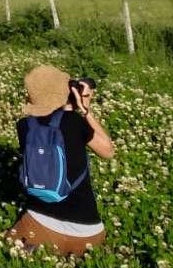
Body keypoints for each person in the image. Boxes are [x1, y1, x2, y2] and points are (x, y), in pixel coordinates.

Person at [6, 64, 115, 255]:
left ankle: (35, 249)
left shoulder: (24, 126)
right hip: (88, 234)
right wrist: (86, 110)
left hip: (39, 227)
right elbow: (108, 151)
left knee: (7, 243)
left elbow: (49, 119)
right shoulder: (75, 122)